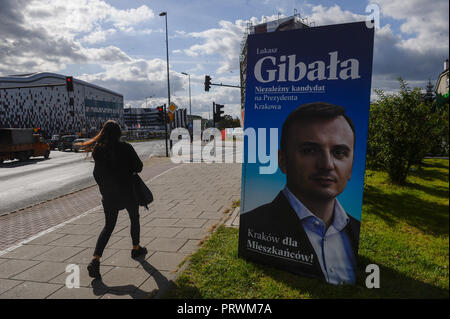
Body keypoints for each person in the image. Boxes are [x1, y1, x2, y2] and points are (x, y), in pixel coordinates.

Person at [238, 102, 360, 285]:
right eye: (310, 150)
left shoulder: (355, 229)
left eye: (339, 152)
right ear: (283, 161)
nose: (327, 164)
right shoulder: (252, 224)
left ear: (351, 167)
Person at [79, 120, 148, 279]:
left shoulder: (98, 150)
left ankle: (95, 261)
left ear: (103, 133)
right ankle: (136, 248)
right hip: (128, 192)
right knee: (134, 218)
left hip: (109, 195)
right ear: (119, 133)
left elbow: (97, 175)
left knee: (108, 227)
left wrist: (106, 189)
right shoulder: (126, 147)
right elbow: (139, 167)